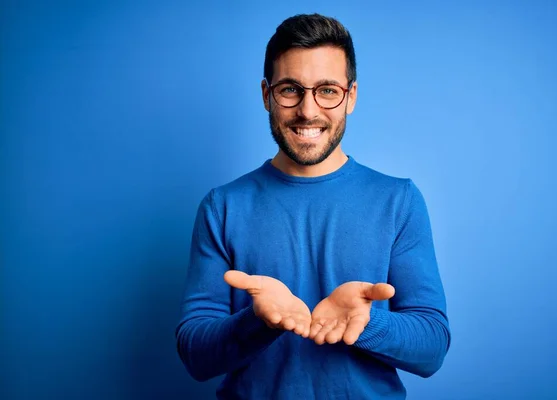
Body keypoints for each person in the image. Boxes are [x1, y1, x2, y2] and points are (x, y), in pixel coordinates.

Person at [175, 13, 451, 399]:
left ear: (350, 96)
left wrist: (366, 323)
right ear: (266, 94)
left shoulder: (398, 201)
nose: (308, 110)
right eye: (290, 90)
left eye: (327, 90)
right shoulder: (222, 207)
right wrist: (258, 322)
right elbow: (194, 355)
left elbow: (432, 347)